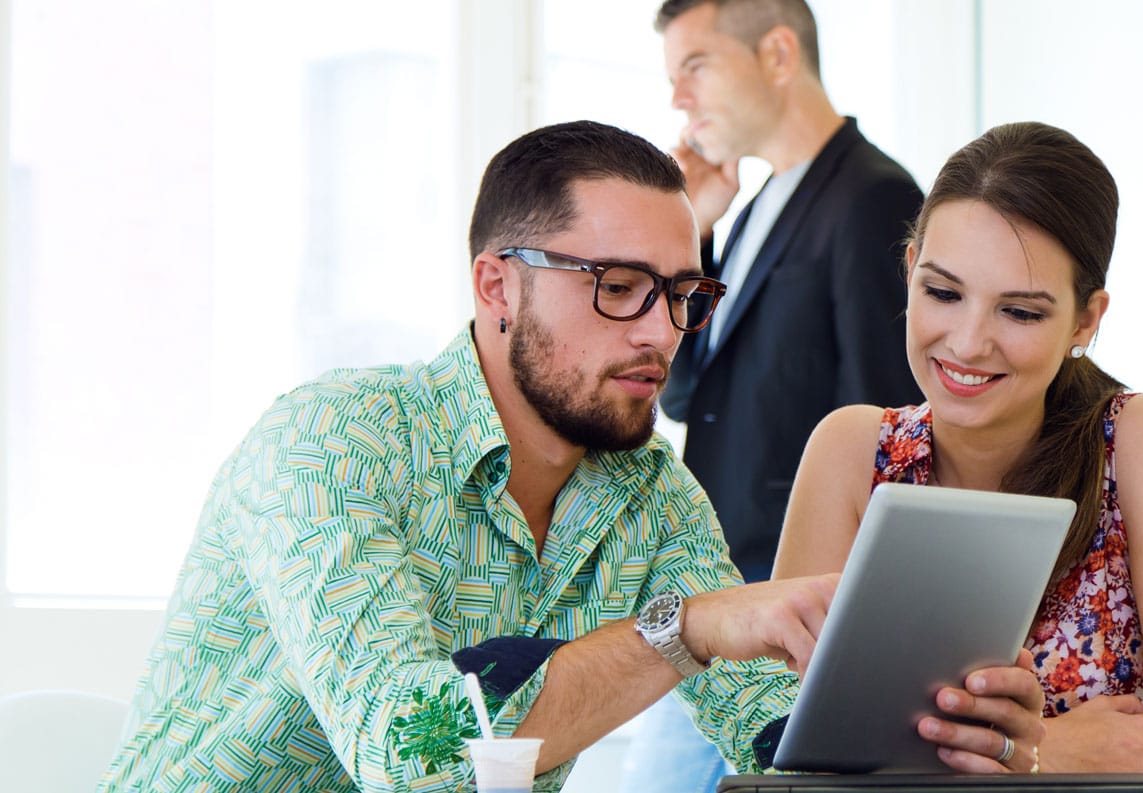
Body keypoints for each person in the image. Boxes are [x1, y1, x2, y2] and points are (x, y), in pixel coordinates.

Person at [97, 121, 1045, 793]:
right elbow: (415, 751)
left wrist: (930, 728)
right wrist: (686, 628)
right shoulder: (331, 444)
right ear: (497, 284)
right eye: (620, 286)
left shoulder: (652, 494)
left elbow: (769, 730)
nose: (660, 332)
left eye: (682, 293)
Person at [773, 122, 1143, 773]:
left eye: (1020, 312)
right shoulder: (850, 450)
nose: (969, 342)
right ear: (909, 268)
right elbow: (784, 738)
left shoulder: (1142, 439)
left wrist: (1025, 752)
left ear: (1086, 321)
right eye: (942, 292)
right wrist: (1052, 749)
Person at [627, 1, 926, 788]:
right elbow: (686, 392)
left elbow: (890, 423)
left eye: (694, 68)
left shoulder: (873, 197)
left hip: (791, 609)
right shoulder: (753, 206)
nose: (679, 101)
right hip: (715, 592)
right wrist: (694, 235)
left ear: (779, 53)